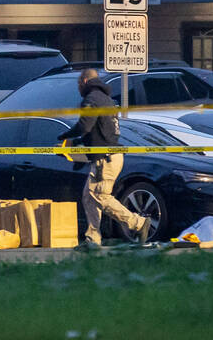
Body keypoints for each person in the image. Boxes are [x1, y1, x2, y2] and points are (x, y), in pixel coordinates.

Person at [57, 68, 152, 245]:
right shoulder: (107, 100)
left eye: (78, 83)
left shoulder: (91, 99)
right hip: (109, 156)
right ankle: (93, 239)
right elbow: (98, 132)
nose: (78, 87)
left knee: (100, 196)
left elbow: (85, 126)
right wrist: (79, 146)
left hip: (105, 159)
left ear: (84, 82)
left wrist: (65, 136)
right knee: (89, 196)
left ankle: (138, 223)